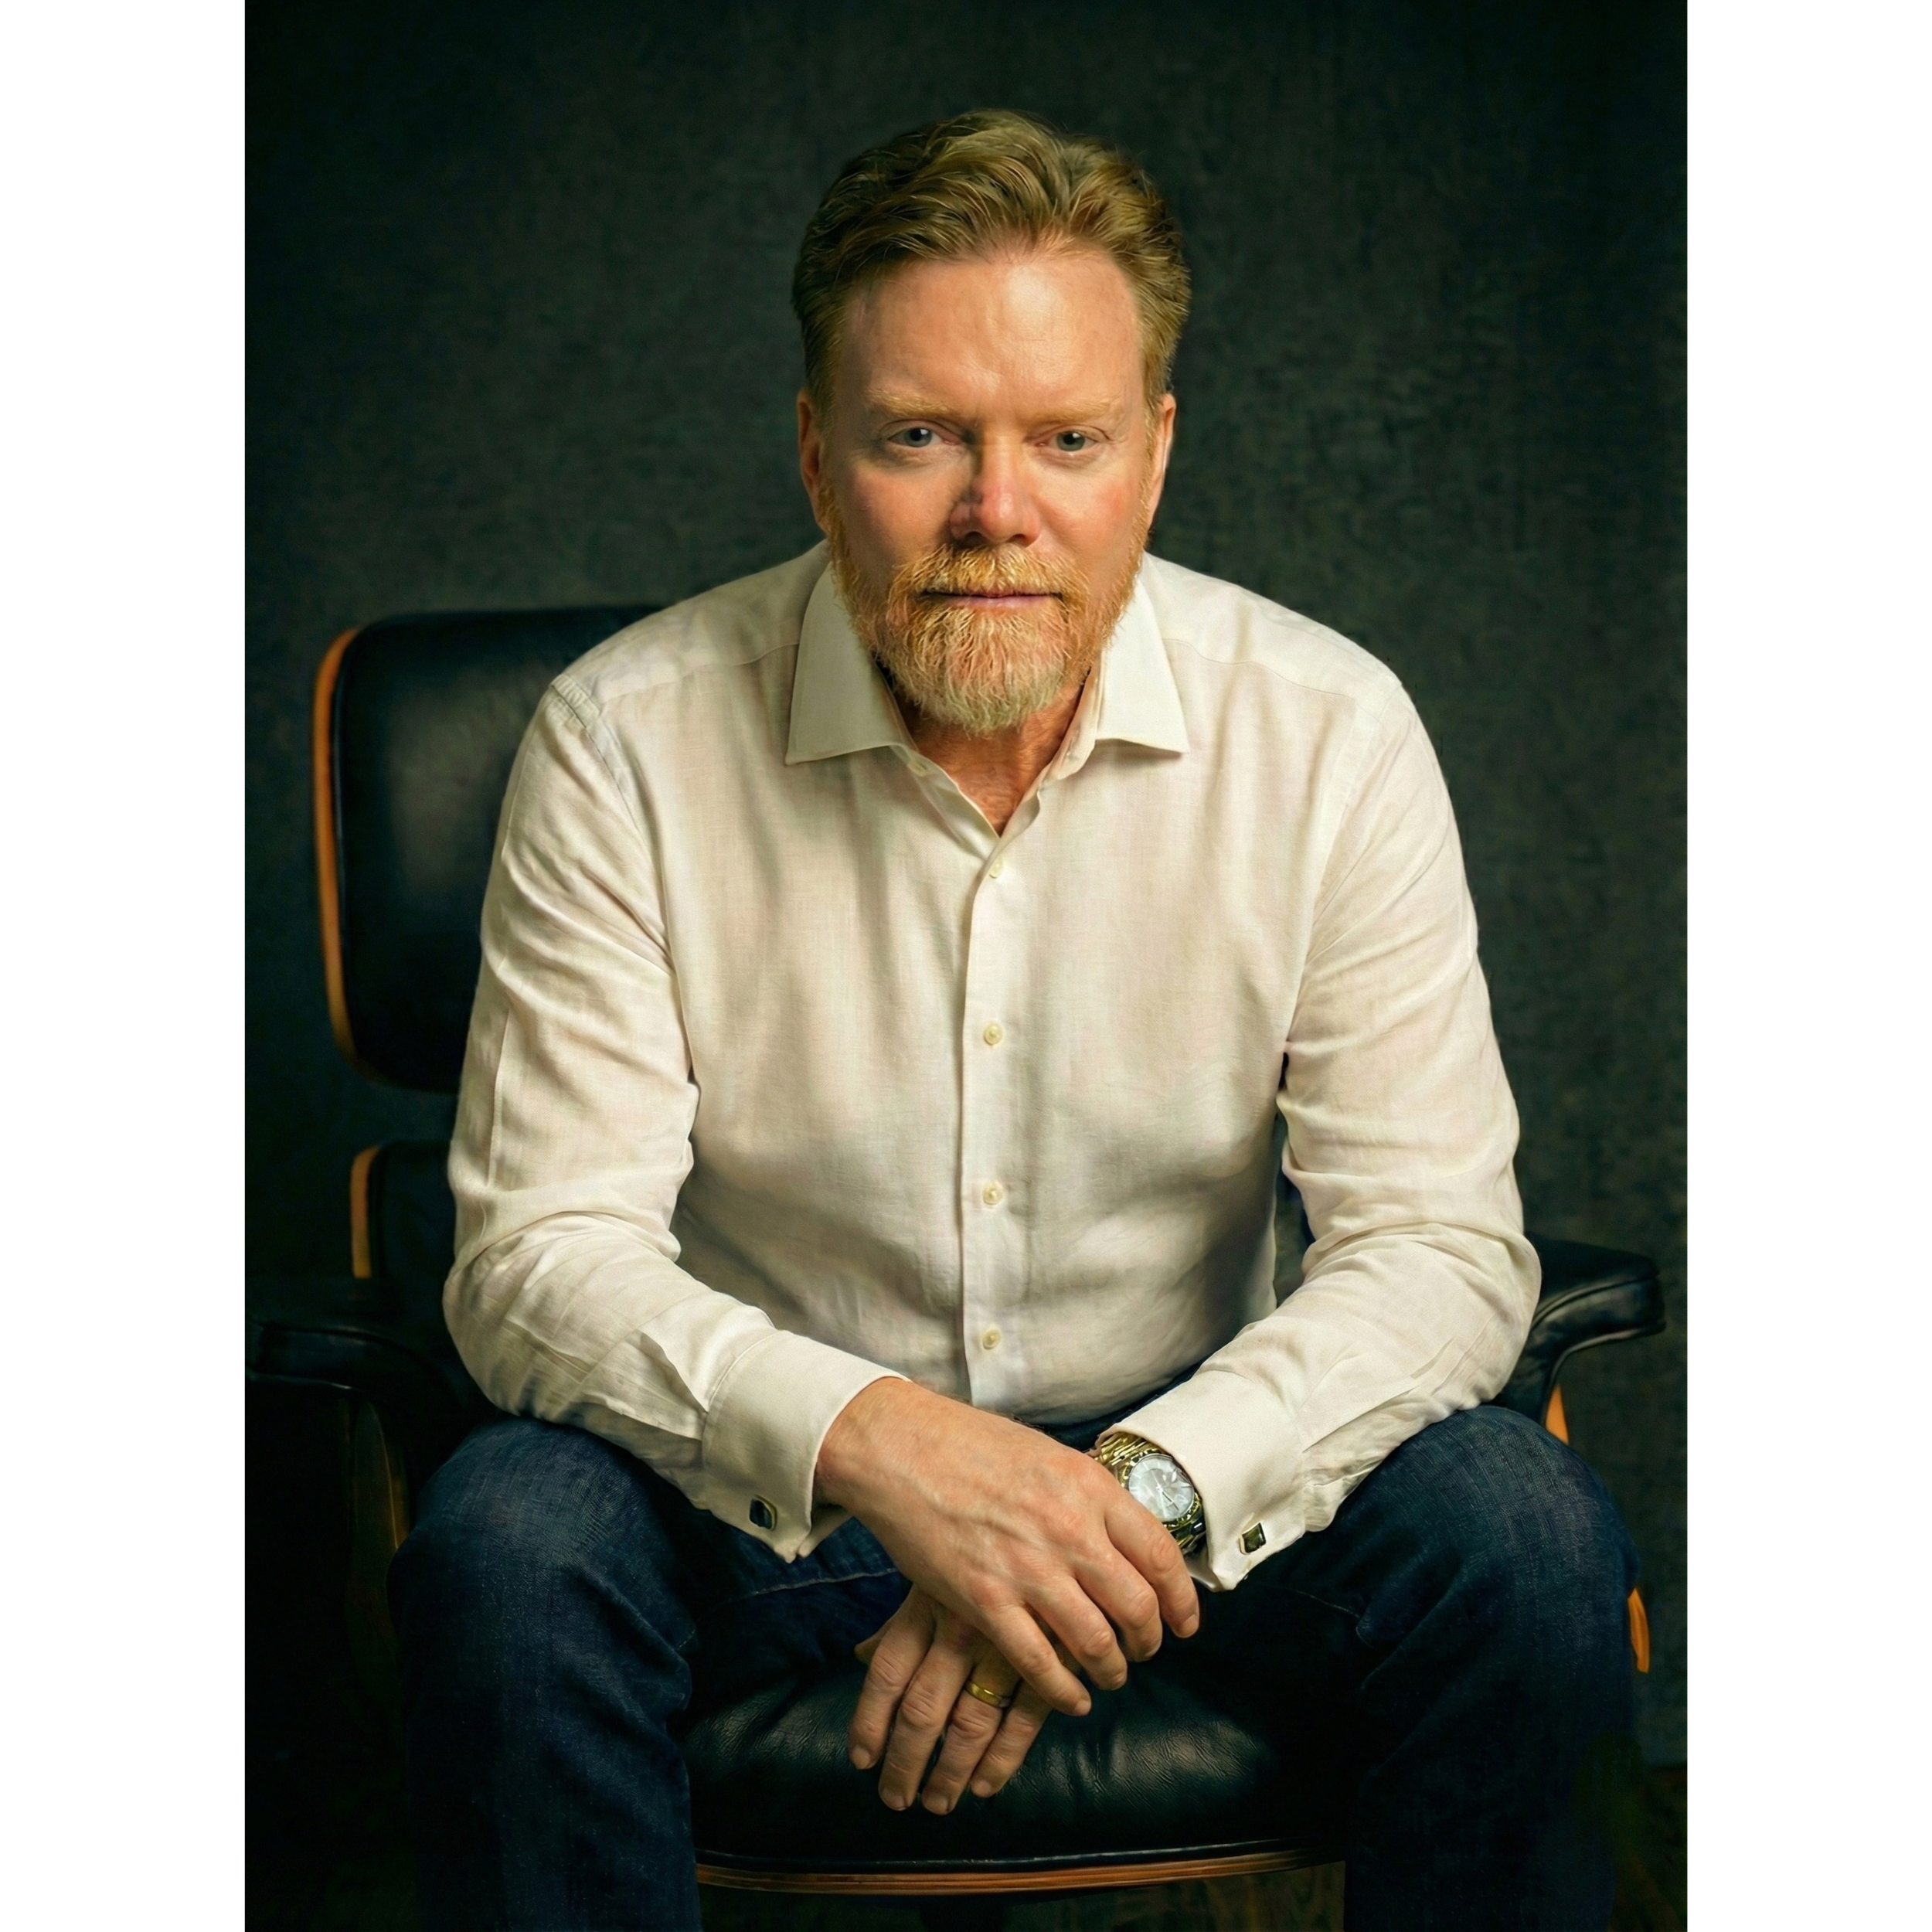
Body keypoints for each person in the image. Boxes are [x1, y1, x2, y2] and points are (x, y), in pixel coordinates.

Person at [392, 109, 1636, 1931]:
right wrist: (900, 1452)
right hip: (772, 1497)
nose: (997, 511)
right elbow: (533, 1259)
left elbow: (1440, 1247)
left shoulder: (1326, 730)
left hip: (1205, 1480)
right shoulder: (624, 741)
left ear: (1152, 457)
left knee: (1519, 1535)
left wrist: (1121, 1494)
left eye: (1064, 438)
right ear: (818, 460)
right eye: (920, 437)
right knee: (506, 1541)